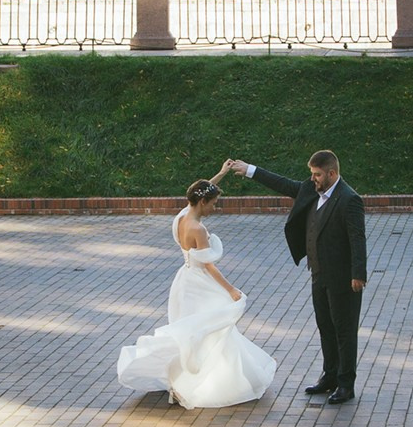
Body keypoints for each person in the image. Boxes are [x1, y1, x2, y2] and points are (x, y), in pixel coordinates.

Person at [116, 165, 277, 408]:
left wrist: (221, 174)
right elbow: (209, 266)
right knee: (212, 328)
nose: (214, 208)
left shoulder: (183, 216)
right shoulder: (198, 229)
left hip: (184, 281)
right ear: (202, 203)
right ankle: (204, 382)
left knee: (194, 331)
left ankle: (185, 378)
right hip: (201, 282)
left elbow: (200, 190)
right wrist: (231, 289)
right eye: (213, 204)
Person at [225, 151, 366, 404]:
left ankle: (346, 384)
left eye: (317, 174)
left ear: (332, 174)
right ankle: (330, 376)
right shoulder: (312, 189)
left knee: (344, 331)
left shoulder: (349, 199)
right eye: (312, 174)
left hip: (343, 278)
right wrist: (249, 169)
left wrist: (358, 274)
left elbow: (357, 238)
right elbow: (284, 184)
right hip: (319, 273)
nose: (313, 178)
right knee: (325, 327)